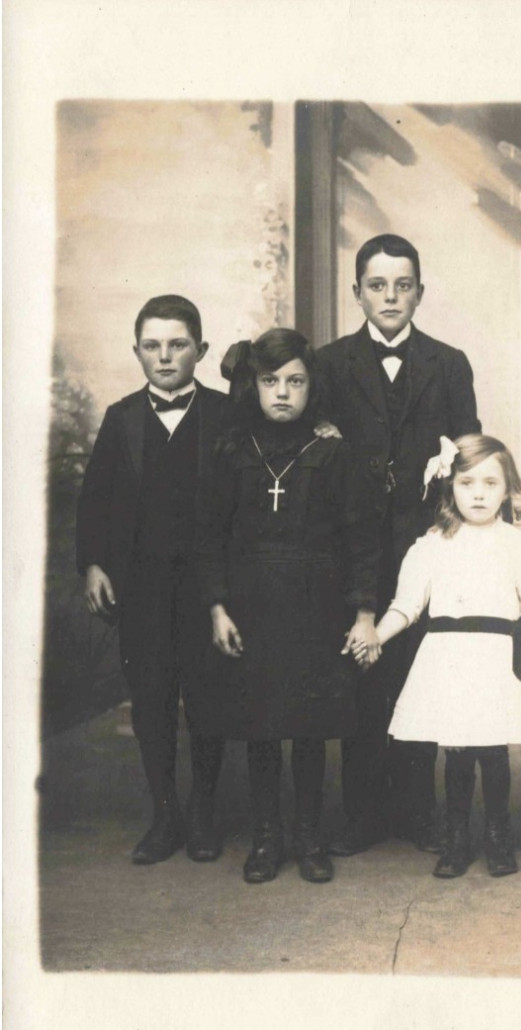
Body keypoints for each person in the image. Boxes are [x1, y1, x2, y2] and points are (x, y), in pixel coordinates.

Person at [315, 233, 481, 857]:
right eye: (377, 285)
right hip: (350, 549)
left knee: (419, 672)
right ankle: (361, 811)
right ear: (357, 291)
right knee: (361, 672)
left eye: (402, 285)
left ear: (419, 291)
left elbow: (469, 454)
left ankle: (416, 810)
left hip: (424, 545)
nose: (390, 296)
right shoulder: (328, 365)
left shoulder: (448, 362)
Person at [194, 328, 380, 885]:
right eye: (270, 381)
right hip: (252, 605)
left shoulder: (332, 451)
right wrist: (217, 608)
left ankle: (308, 837)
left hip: (317, 606)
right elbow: (210, 536)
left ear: (311, 387)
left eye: (295, 382)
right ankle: (267, 838)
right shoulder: (232, 451)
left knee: (308, 726)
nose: (282, 393)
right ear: (252, 386)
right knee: (262, 726)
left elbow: (360, 538)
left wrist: (364, 611)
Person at [76, 295, 227, 865]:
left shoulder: (226, 414)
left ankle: (206, 812)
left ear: (201, 351)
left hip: (207, 589)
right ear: (137, 351)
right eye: (152, 346)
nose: (165, 357)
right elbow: (94, 501)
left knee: (209, 698)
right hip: (141, 590)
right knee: (153, 702)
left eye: (178, 345)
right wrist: (93, 563)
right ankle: (166, 816)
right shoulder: (122, 419)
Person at [353, 435, 521, 879]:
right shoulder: (431, 545)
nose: (478, 493)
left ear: (508, 489)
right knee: (456, 753)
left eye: (491, 483)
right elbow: (406, 605)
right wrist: (376, 636)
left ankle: (499, 835)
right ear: (449, 486)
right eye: (467, 482)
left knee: (494, 752)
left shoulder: (519, 545)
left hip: (495, 658)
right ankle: (456, 838)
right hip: (449, 658)